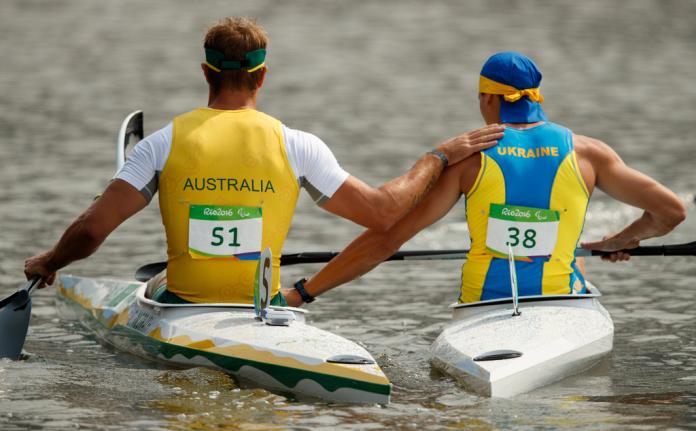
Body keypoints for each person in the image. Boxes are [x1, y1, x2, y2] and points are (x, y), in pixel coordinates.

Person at [23, 17, 504, 305]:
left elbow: (90, 232)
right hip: (264, 308)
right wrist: (437, 157)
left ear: (205, 72)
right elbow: (382, 213)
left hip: (182, 306)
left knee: (157, 285)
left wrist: (51, 260)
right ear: (263, 76)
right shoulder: (298, 145)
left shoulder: (160, 144)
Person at [281, 51, 687, 307]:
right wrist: (623, 238)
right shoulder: (588, 153)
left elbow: (386, 238)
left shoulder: (468, 160)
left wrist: (303, 291)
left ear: (489, 98)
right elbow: (670, 211)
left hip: (485, 305)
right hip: (565, 300)